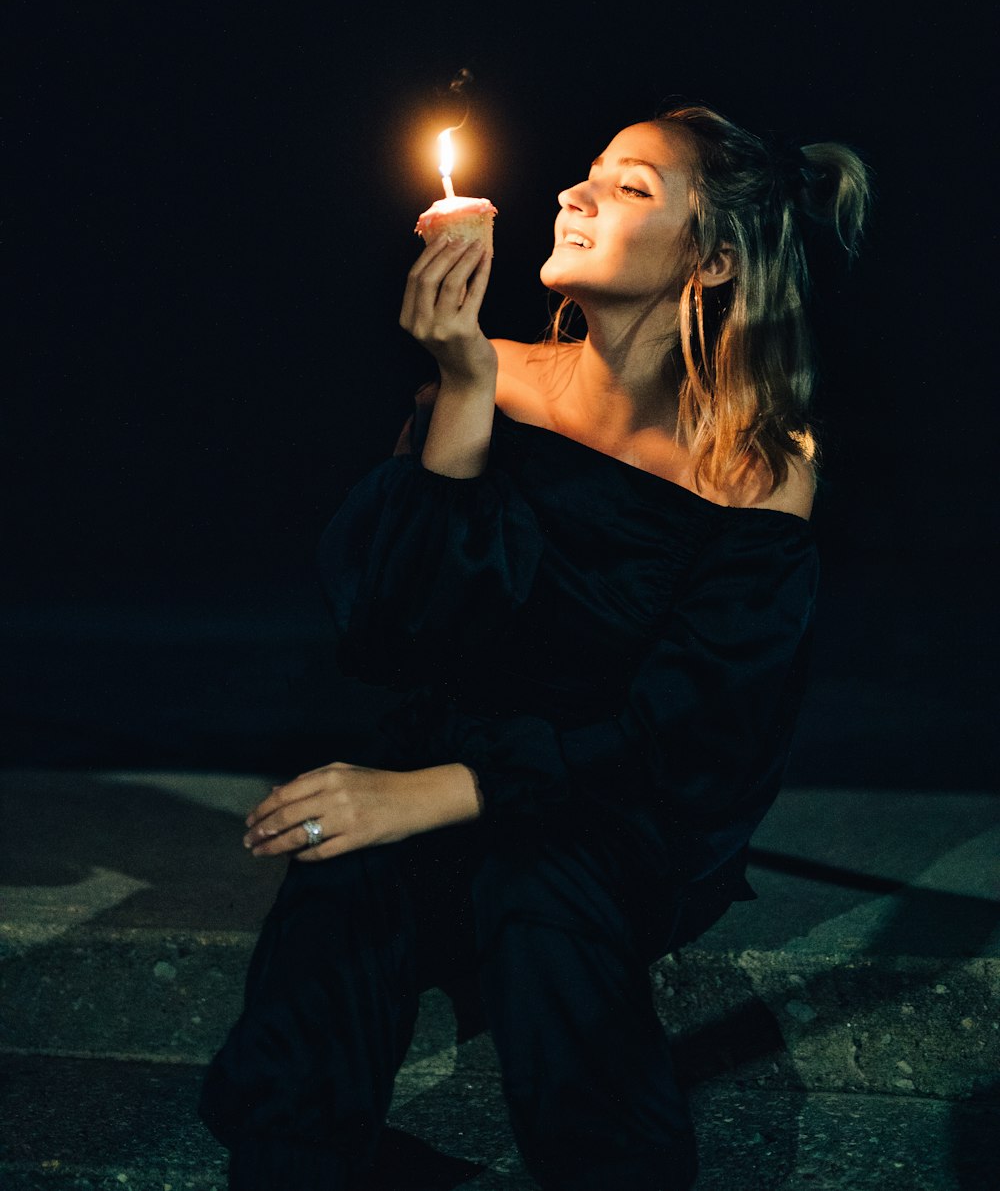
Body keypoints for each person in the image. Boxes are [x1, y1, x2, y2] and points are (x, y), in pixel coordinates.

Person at [199, 102, 870, 1190]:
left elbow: (691, 719)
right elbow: (389, 633)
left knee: (541, 881)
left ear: (707, 263)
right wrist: (461, 390)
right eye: (588, 172)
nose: (572, 191)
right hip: (450, 753)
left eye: (630, 186)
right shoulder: (488, 378)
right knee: (347, 873)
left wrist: (439, 792)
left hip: (623, 796)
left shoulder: (756, 454)